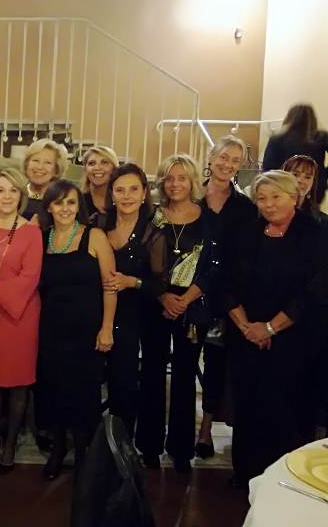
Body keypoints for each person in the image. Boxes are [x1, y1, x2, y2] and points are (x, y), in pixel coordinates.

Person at [225, 171, 328, 487]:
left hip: (295, 340)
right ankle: (246, 475)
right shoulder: (247, 232)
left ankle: (284, 481)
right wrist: (247, 327)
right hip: (246, 337)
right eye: (261, 198)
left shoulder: (315, 234)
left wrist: (270, 328)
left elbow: (315, 291)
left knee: (288, 410)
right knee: (248, 405)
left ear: (294, 197)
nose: (268, 204)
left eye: (276, 197)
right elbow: (227, 282)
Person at [135, 154, 220, 474]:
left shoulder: (208, 219)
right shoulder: (152, 217)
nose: (175, 184)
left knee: (185, 378)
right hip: (155, 304)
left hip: (192, 307)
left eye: (182, 177)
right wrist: (163, 296)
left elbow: (215, 267)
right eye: (169, 178)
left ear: (192, 181)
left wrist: (185, 299)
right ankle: (149, 446)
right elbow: (140, 261)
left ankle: (181, 449)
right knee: (152, 374)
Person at [37, 180, 116, 480]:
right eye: (58, 203)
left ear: (78, 206)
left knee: (84, 393)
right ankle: (58, 449)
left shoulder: (94, 236)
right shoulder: (42, 238)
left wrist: (106, 328)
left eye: (71, 202)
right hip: (51, 329)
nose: (65, 209)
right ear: (49, 207)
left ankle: (84, 454)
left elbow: (110, 287)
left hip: (87, 331)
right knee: (55, 390)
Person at [0, 167, 42, 473]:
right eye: (1, 189)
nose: (7, 196)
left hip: (20, 313)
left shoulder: (31, 232)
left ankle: (11, 442)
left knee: (18, 381)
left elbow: (30, 277)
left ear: (21, 195)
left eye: (13, 190)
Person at [196, 136, 256, 460]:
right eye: (223, 157)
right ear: (211, 157)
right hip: (190, 294)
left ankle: (205, 430)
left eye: (235, 160)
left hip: (225, 299)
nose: (228, 164)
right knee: (184, 366)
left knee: (216, 366)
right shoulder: (192, 196)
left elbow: (246, 256)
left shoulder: (245, 207)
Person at [102, 164, 153, 440]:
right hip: (101, 312)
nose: (127, 196)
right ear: (111, 194)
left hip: (139, 315)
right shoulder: (100, 224)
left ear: (144, 193)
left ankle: (123, 444)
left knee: (126, 384)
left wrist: (133, 282)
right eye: (120, 190)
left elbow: (164, 282)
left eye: (134, 189)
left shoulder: (154, 227)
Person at [262, 103, 328, 206]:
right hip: (314, 188)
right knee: (310, 213)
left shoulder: (278, 138)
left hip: (283, 187)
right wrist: (323, 174)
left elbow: (268, 168)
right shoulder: (321, 137)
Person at [21, 138, 68, 221]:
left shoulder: (63, 200)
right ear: (26, 164)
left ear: (56, 169)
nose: (40, 167)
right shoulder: (15, 195)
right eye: (35, 160)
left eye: (48, 162)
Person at [281, 154, 328, 225]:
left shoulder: (321, 221)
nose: (301, 180)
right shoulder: (269, 210)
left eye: (308, 177)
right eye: (295, 174)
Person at [82, 145, 119, 227]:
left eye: (104, 163)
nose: (97, 168)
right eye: (91, 163)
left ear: (114, 169)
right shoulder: (77, 202)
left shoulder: (123, 200)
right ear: (85, 170)